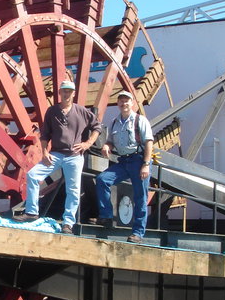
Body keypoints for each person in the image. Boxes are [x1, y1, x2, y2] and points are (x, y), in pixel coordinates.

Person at [16, 80, 101, 234]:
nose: (66, 94)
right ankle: (32, 213)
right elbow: (45, 135)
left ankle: (68, 223)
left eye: (69, 91)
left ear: (73, 93)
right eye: (64, 91)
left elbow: (97, 127)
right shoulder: (52, 111)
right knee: (33, 175)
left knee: (73, 190)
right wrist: (45, 152)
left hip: (74, 156)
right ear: (60, 93)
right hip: (55, 154)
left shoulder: (82, 112)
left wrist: (87, 144)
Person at [95, 90, 154, 243]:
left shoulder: (140, 120)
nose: (123, 103)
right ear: (118, 103)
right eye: (121, 101)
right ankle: (106, 216)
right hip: (123, 162)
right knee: (102, 179)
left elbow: (149, 143)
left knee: (140, 197)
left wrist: (146, 165)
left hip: (138, 160)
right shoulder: (114, 122)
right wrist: (107, 146)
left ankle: (138, 233)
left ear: (132, 102)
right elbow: (110, 141)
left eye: (126, 100)